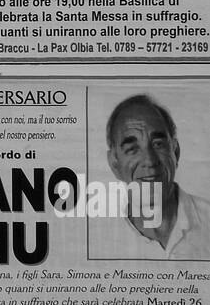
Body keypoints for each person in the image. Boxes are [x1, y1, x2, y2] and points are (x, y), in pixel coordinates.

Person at [89, 93, 210, 259]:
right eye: (132, 149)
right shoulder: (99, 241)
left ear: (175, 152)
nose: (150, 161)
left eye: (158, 144)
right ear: (114, 164)